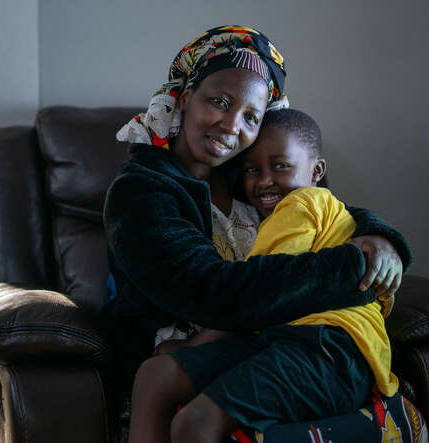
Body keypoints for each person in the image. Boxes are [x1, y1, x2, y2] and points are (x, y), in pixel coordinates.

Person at [103, 25, 411, 442]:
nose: (232, 125)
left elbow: (322, 208)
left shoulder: (247, 178)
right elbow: (216, 294)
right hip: (199, 344)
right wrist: (355, 264)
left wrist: (380, 235)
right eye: (219, 102)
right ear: (186, 97)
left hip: (271, 340)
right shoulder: (141, 193)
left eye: (251, 116)